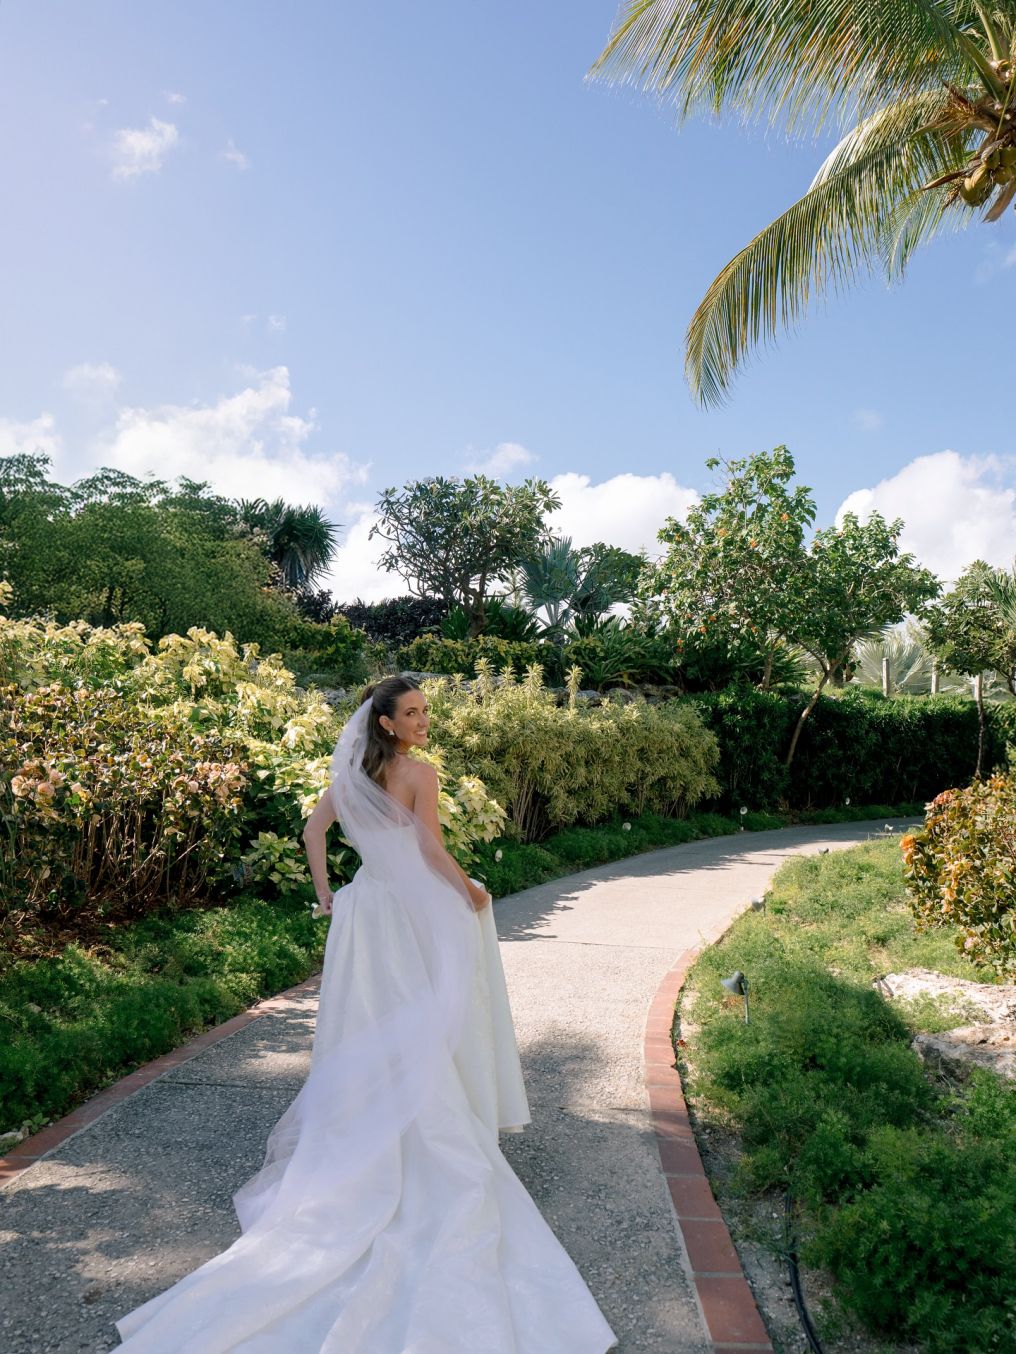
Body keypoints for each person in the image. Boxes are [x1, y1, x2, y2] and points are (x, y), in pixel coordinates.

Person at [111, 674, 618, 1352]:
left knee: (374, 1026)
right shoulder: (421, 775)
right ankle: (429, 1129)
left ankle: (378, 1129)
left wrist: (327, 897)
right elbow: (433, 852)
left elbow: (312, 831)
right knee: (427, 1020)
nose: (424, 721)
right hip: (410, 912)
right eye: (412, 713)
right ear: (384, 722)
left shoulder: (350, 776)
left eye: (425, 711)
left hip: (364, 912)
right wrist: (471, 890)